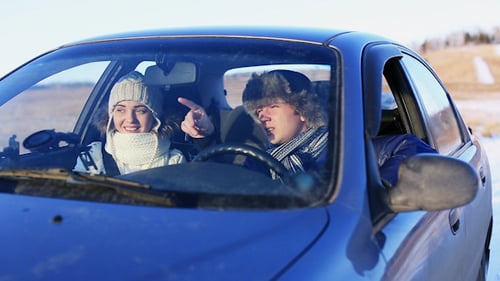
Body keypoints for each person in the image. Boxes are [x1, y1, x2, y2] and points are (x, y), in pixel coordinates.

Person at [179, 69, 328, 179]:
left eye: (273, 106)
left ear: (303, 110)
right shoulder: (262, 157)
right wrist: (205, 138)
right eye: (259, 111)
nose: (263, 117)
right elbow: (229, 183)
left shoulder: (335, 156)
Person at [74, 71, 185, 175]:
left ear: (155, 116)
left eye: (140, 110)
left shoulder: (173, 161)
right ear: (111, 115)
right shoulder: (93, 157)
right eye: (121, 110)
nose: (130, 119)